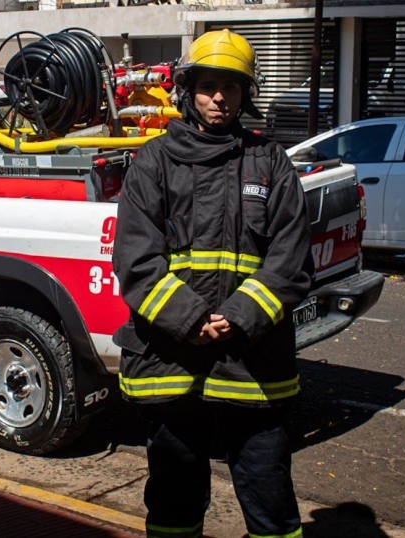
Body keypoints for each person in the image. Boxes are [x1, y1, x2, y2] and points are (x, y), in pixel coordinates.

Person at [112, 29, 314, 538]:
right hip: (171, 362)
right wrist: (193, 320)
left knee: (271, 502)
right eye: (207, 86)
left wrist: (239, 317)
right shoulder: (153, 162)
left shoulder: (270, 163)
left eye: (231, 86)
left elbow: (291, 260)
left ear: (246, 93)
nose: (219, 97)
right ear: (188, 91)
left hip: (251, 364)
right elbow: (136, 259)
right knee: (174, 503)